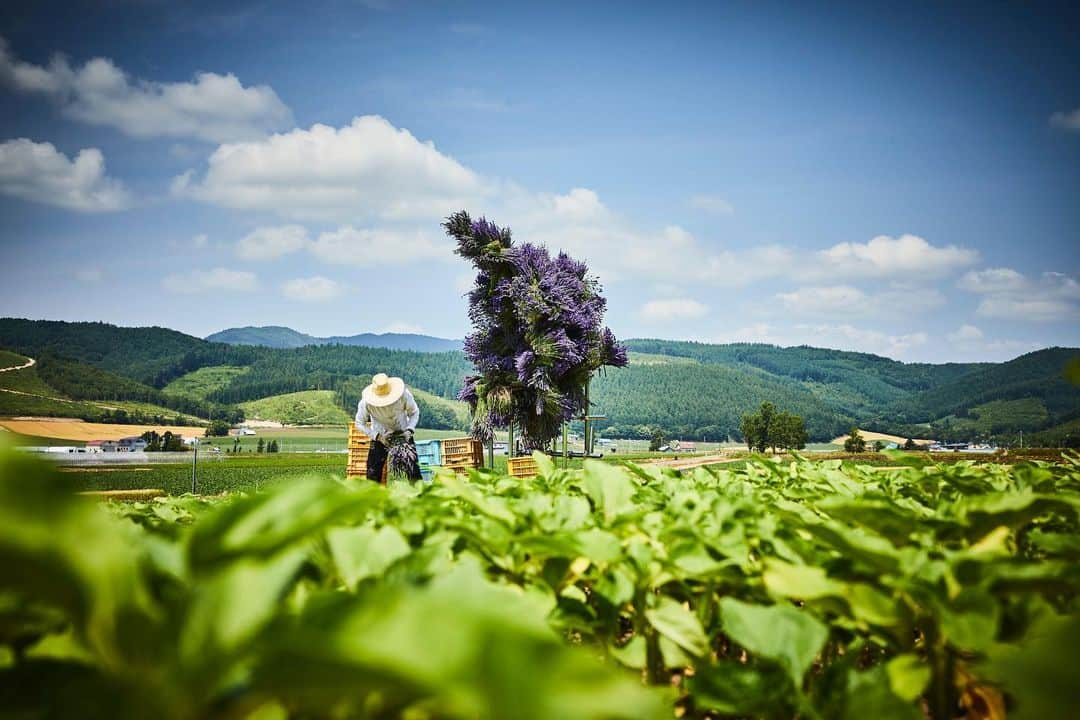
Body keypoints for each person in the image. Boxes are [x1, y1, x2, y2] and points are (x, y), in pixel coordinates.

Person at [355, 373, 422, 481]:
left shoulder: (403, 395)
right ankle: (373, 497)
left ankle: (419, 496)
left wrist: (409, 430)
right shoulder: (366, 403)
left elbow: (414, 412)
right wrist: (378, 437)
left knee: (413, 471)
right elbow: (359, 423)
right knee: (373, 473)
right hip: (380, 436)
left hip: (403, 434)